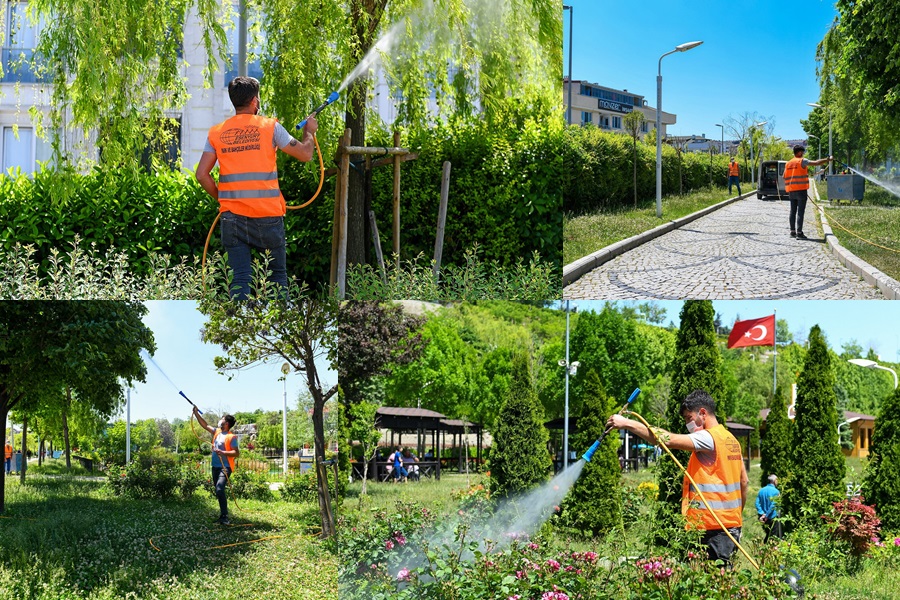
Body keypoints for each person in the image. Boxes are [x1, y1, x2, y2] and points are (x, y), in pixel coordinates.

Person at [195, 76, 319, 300]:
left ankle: (238, 322)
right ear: (254, 100)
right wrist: (309, 131)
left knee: (240, 279)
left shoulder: (216, 133)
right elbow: (305, 154)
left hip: (231, 217)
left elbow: (202, 175)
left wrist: (223, 200)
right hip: (267, 216)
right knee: (277, 277)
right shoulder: (269, 127)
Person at [606, 389, 749, 564]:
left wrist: (627, 423)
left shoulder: (708, 438)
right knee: (723, 584)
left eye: (689, 418)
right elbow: (744, 481)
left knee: (710, 586)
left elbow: (667, 439)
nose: (687, 424)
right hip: (730, 527)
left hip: (713, 530)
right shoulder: (731, 440)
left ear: (702, 413)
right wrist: (735, 518)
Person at [193, 407, 240, 524]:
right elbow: (205, 425)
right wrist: (196, 414)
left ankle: (225, 517)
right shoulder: (217, 432)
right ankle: (222, 516)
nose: (220, 420)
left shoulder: (231, 437)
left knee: (219, 488)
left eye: (222, 419)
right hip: (215, 466)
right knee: (218, 490)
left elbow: (236, 453)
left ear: (227, 423)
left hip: (226, 467)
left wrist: (223, 452)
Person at [783, 145, 833, 239]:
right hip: (801, 190)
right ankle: (799, 233)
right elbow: (817, 163)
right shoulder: (802, 161)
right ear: (799, 152)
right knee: (800, 212)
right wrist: (828, 159)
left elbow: (784, 176)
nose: (803, 153)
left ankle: (792, 232)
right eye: (802, 152)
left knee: (792, 211)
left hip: (791, 191)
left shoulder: (788, 163)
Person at [756, 474, 783, 543]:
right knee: (773, 536)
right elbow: (773, 505)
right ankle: (769, 551)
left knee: (768, 534)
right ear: (774, 481)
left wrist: (762, 513)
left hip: (763, 518)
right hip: (772, 517)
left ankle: (764, 550)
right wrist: (767, 515)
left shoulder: (761, 490)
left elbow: (757, 503)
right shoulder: (776, 492)